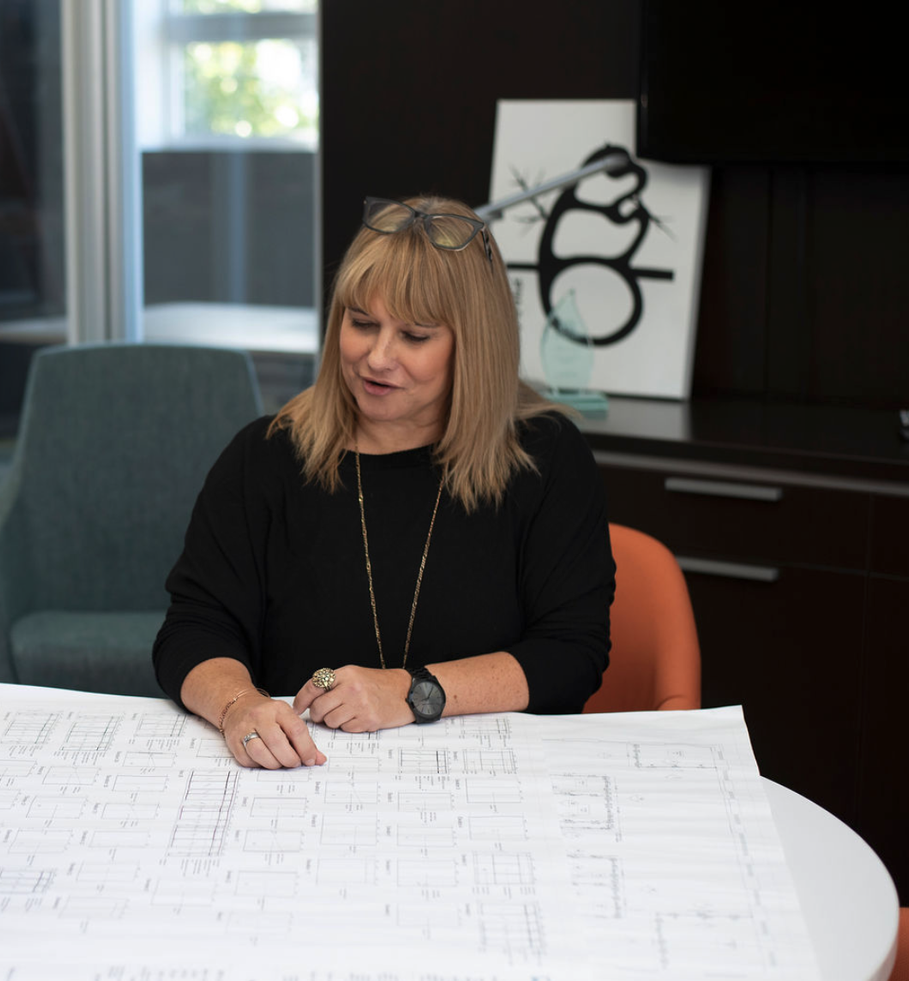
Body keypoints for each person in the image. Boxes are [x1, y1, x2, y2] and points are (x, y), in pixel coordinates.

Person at [152, 195, 615, 770]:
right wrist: (238, 705)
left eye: (415, 336)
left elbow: (572, 655)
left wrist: (412, 692)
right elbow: (194, 630)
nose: (377, 357)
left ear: (473, 346)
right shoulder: (267, 455)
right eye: (361, 323)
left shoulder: (545, 458)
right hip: (300, 781)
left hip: (491, 784)